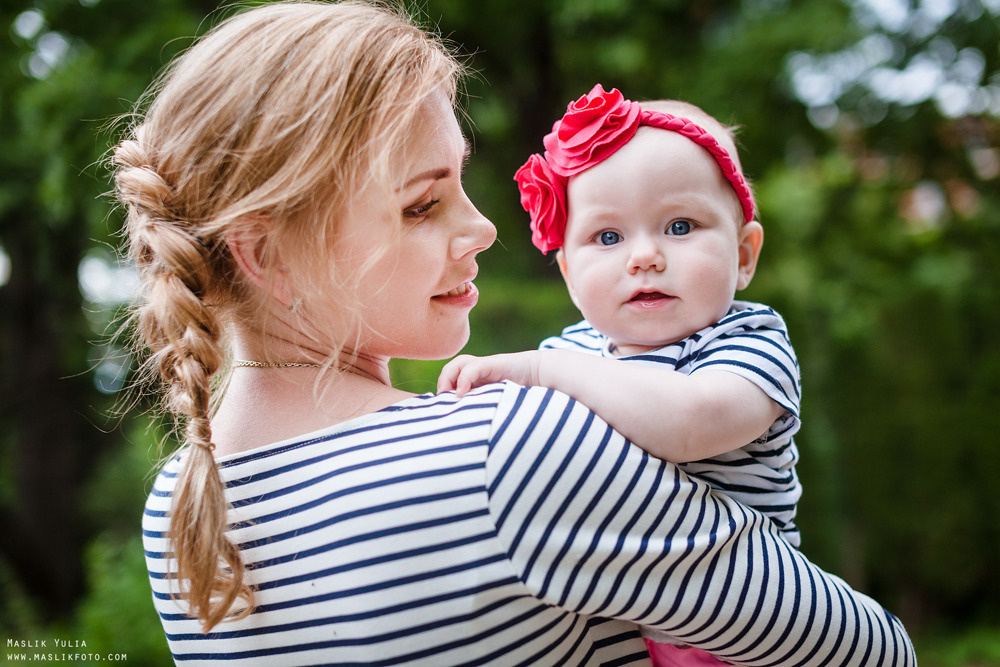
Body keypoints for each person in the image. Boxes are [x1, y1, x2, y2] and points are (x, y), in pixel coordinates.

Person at [112, 2, 915, 665]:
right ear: (265, 253)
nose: (486, 227)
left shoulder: (182, 505)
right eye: (422, 204)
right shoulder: (509, 449)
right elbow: (868, 652)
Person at [437, 85, 804, 666]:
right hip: (617, 623)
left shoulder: (749, 340)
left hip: (741, 622)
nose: (644, 256)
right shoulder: (574, 351)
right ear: (568, 275)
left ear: (744, 254)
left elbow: (689, 422)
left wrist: (539, 369)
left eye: (680, 226)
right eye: (608, 237)